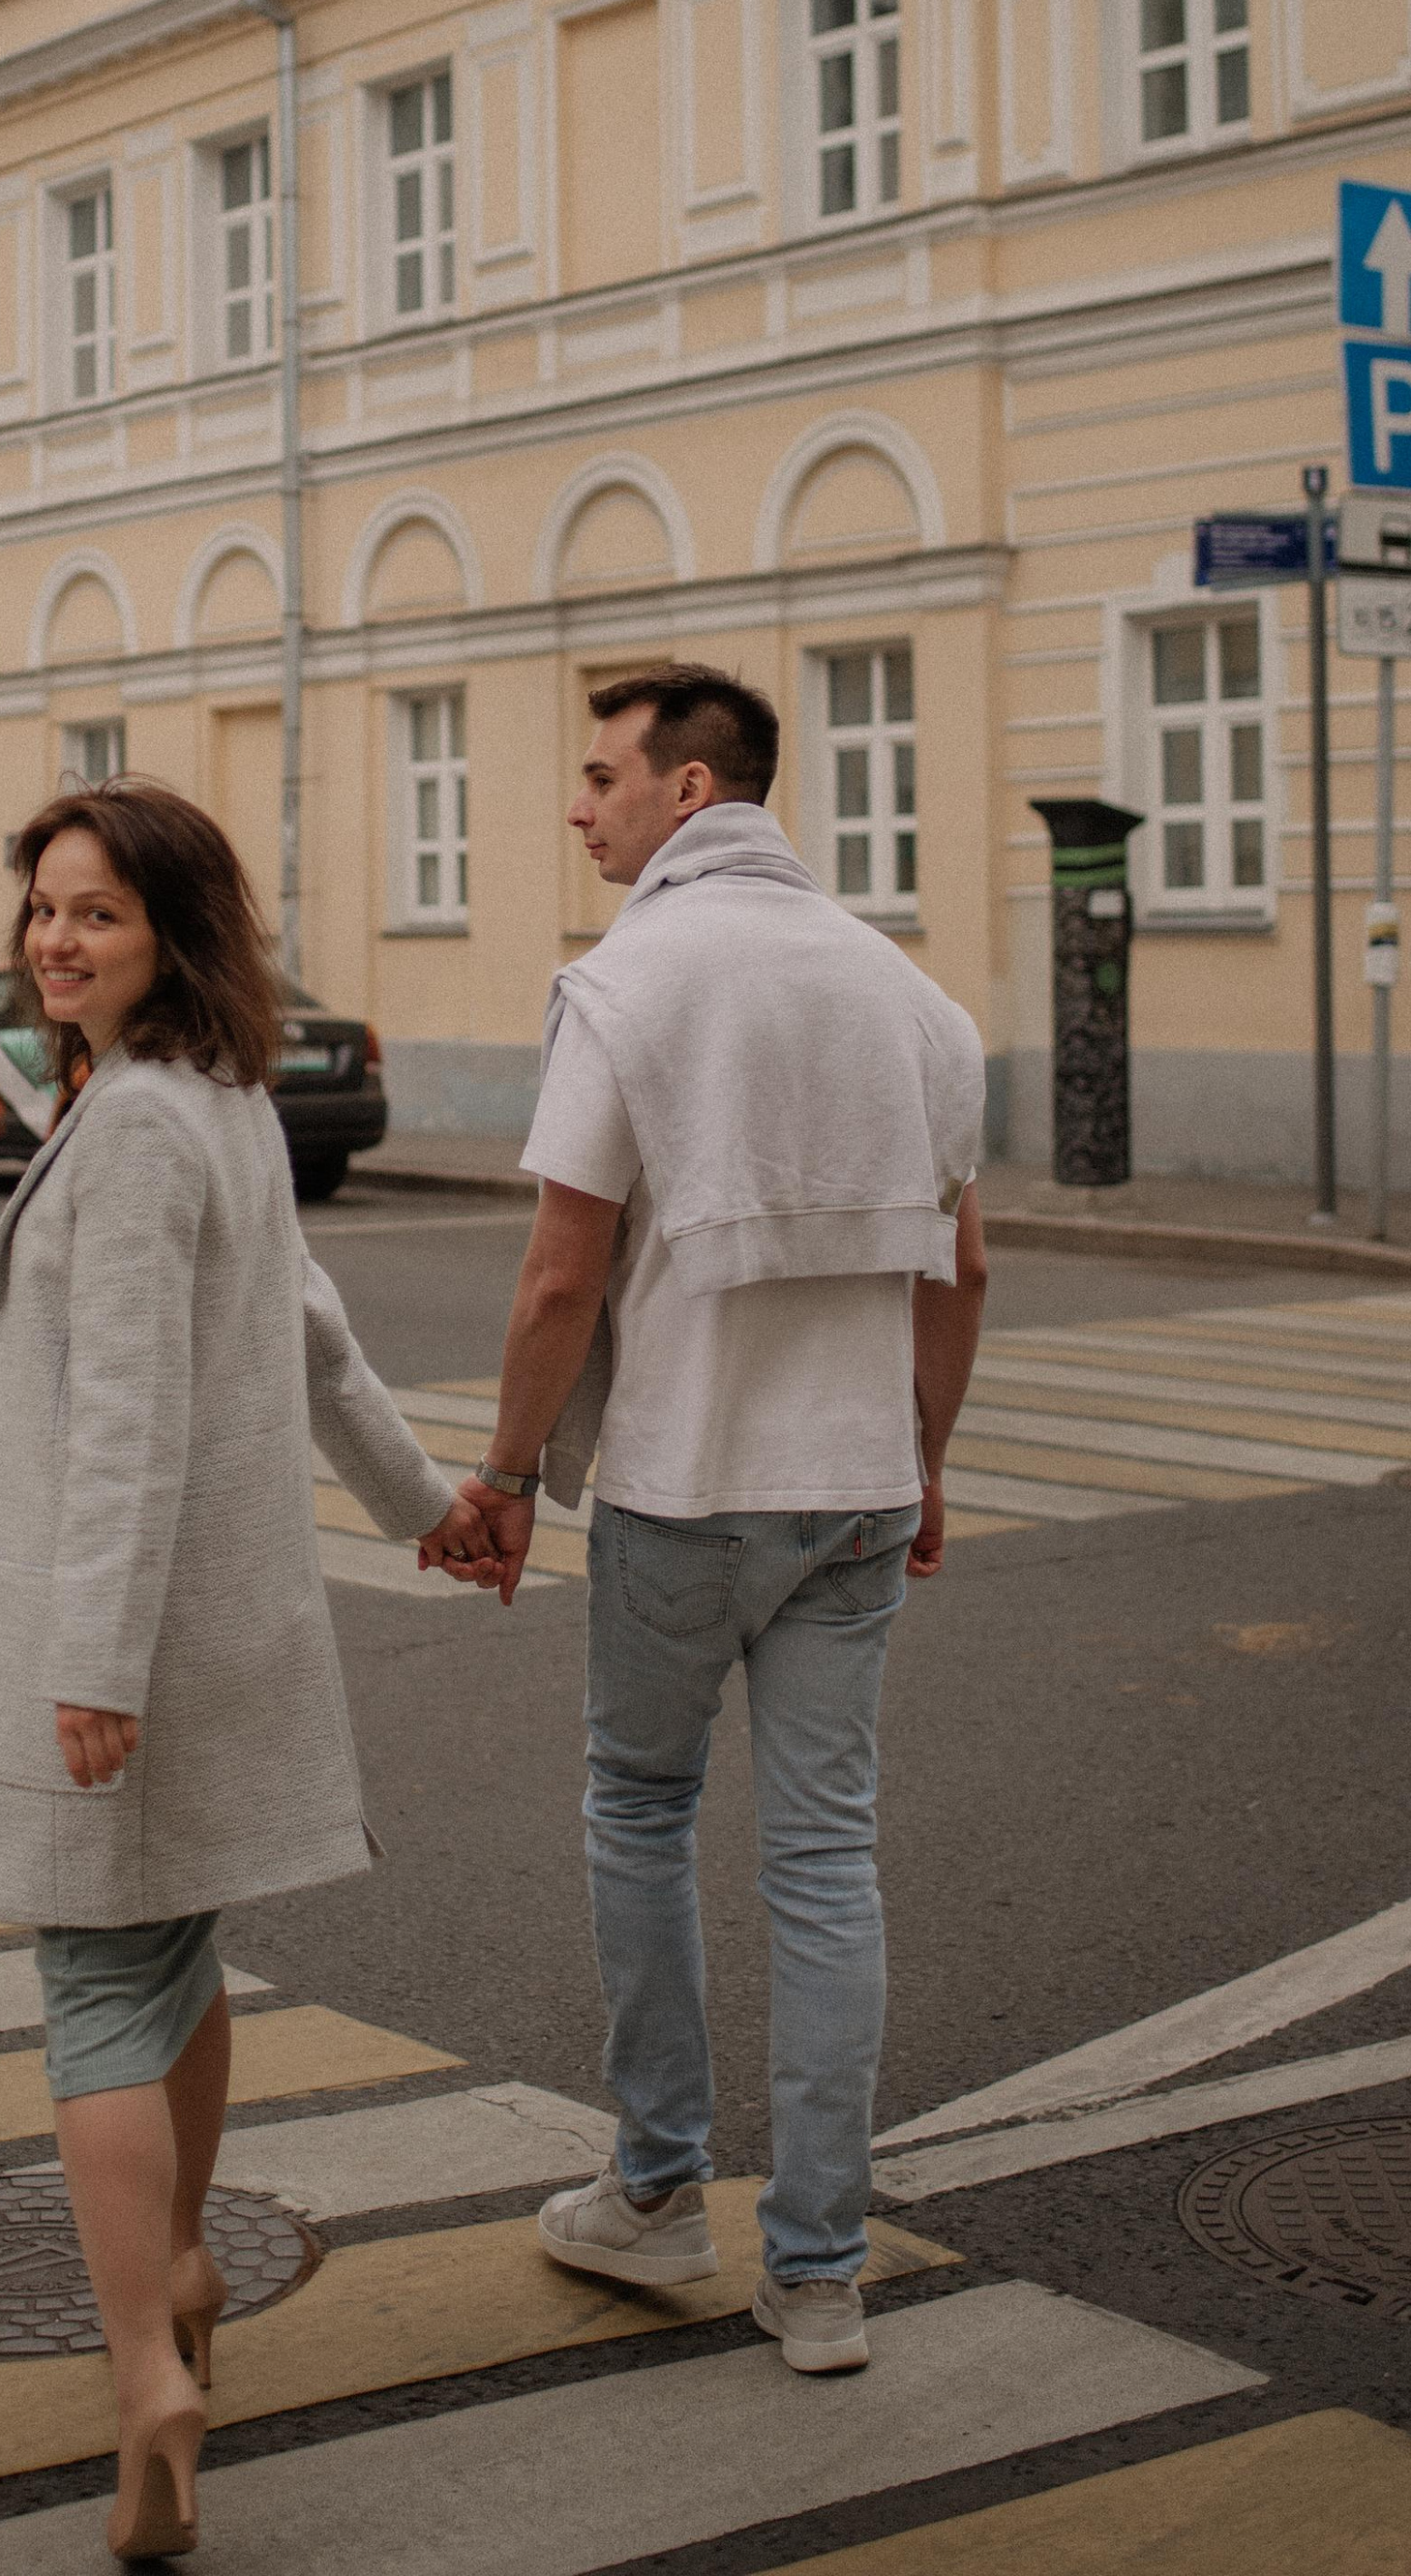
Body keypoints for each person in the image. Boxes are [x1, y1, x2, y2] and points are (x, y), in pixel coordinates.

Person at [0, 777, 490, 2561]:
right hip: (216, 1631)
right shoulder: (216, 1098)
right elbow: (315, 1334)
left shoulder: (149, 1122)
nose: (55, 940)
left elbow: (132, 1416)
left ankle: (143, 2361)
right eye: (42, 910)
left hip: (132, 1648)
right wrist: (426, 1507)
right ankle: (178, 2253)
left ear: (171, 930)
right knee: (178, 1960)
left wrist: (93, 1662)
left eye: (96, 911)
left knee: (93, 1989)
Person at [448, 665, 987, 2377]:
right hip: (853, 1493)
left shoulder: (628, 983)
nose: (576, 802)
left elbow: (559, 1273)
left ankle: (659, 2190)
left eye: (599, 773)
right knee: (829, 1860)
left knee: (645, 1809)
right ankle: (820, 2270)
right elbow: (964, 1265)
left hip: (686, 1488)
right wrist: (928, 1454)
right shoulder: (911, 997)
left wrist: (510, 1478)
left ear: (690, 790)